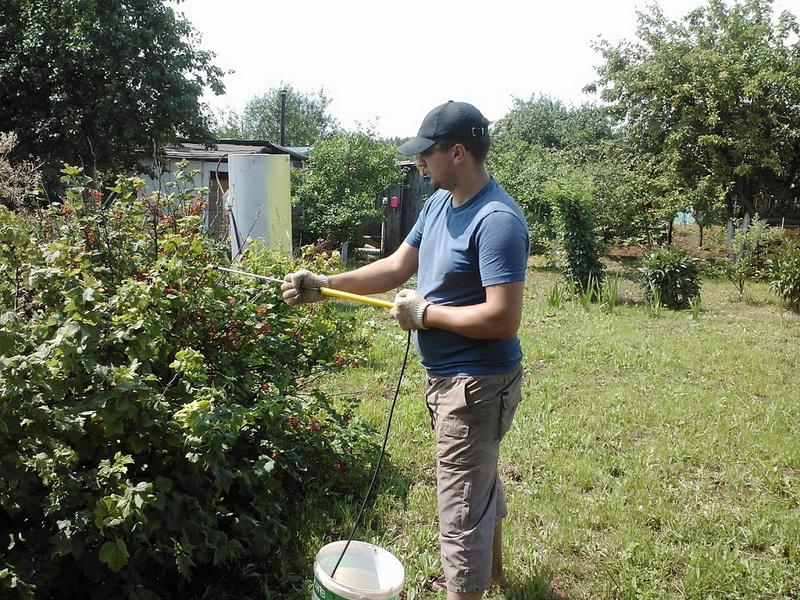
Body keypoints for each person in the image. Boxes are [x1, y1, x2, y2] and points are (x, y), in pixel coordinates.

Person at [281, 101, 529, 600]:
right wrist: (325, 283)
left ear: (457, 152)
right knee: (475, 482)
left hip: (475, 384)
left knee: (459, 510)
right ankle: (499, 578)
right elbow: (396, 268)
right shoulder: (439, 203)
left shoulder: (497, 220)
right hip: (450, 377)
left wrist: (425, 315)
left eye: (427, 154)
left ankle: (470, 588)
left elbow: (504, 319)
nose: (420, 163)